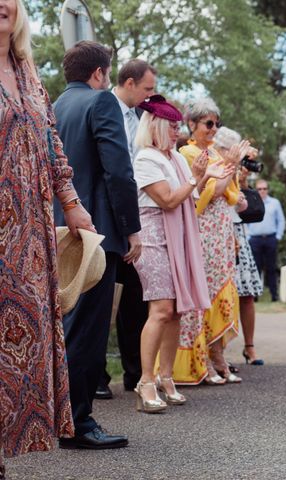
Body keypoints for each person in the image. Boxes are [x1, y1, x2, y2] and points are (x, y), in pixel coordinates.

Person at [0, 0, 93, 472]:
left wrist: (73, 204)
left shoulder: (28, 70)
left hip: (29, 238)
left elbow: (52, 143)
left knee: (20, 344)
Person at [53, 41, 141, 449]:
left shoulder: (55, 107)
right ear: (100, 73)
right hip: (96, 234)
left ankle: (60, 416)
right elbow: (119, 172)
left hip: (60, 230)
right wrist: (131, 230)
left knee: (66, 327)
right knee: (88, 331)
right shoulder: (101, 103)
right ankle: (78, 423)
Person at [132, 95, 228, 412]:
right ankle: (145, 381)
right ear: (157, 127)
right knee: (160, 309)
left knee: (175, 311)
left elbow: (188, 194)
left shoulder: (173, 158)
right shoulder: (146, 159)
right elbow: (169, 200)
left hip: (178, 236)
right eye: (173, 127)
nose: (177, 132)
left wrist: (200, 176)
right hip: (155, 237)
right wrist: (194, 176)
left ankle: (166, 376)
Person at [96, 59, 157, 399]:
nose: (150, 95)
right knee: (102, 302)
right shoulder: (102, 107)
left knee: (135, 299)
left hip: (136, 220)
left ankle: (135, 374)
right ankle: (98, 376)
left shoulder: (140, 118)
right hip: (108, 220)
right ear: (129, 82)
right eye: (147, 88)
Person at [175, 102, 248, 385]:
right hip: (202, 229)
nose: (214, 129)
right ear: (192, 125)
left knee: (222, 291)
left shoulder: (215, 153)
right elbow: (211, 191)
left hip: (221, 230)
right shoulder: (187, 153)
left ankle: (217, 355)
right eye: (208, 123)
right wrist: (232, 164)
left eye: (217, 124)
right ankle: (201, 360)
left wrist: (231, 167)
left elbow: (231, 193)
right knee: (204, 294)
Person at [235, 166, 265, 365]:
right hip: (216, 233)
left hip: (238, 234)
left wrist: (243, 182)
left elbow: (254, 211)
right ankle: (215, 352)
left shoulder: (238, 178)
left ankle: (249, 346)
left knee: (246, 295)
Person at [248, 179, 286, 302]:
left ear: (267, 189)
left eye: (264, 188)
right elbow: (246, 221)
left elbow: (281, 220)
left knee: (271, 268)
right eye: (259, 189)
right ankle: (255, 295)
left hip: (270, 239)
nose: (262, 191)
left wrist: (278, 236)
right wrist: (248, 237)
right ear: (256, 190)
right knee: (255, 268)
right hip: (255, 240)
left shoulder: (275, 203)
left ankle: (274, 294)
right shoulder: (251, 202)